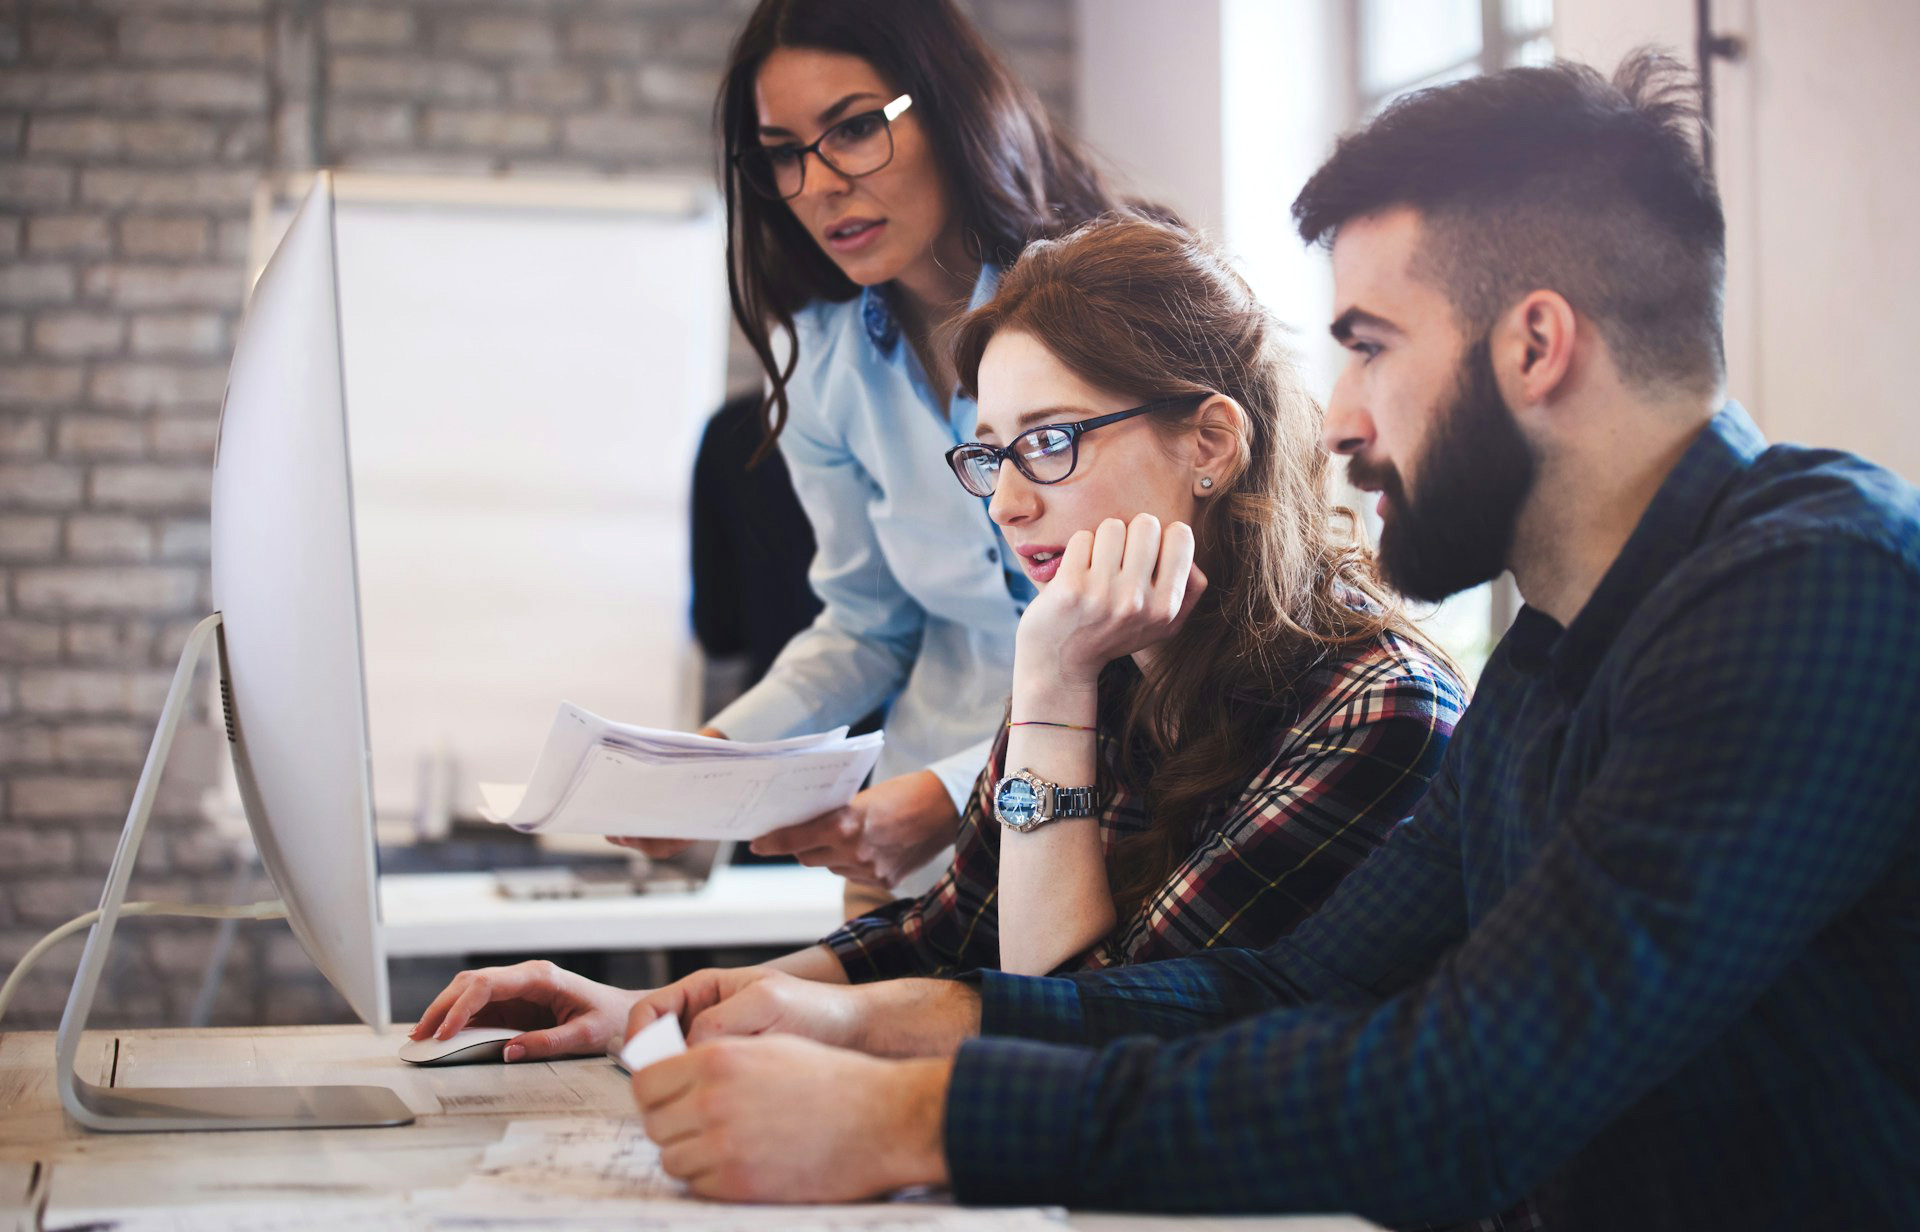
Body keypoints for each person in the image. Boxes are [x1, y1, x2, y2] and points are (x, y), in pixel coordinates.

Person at [610, 51, 1920, 1228]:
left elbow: (1466, 1093)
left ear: (1535, 343)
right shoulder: (1552, 653)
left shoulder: (1813, 587)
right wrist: (876, 1021)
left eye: (1370, 347)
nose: (1340, 419)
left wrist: (914, 1121)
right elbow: (1283, 986)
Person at [410, 217, 1466, 1045]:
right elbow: (944, 930)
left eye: (1048, 443)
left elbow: (1075, 1024)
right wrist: (656, 1010)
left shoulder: (1375, 708)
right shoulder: (1106, 659)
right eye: (990, 454)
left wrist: (1051, 685)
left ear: (1212, 441)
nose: (1006, 505)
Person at [631, 0, 1154, 906]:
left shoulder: (1105, 314)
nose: (819, 183)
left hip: (1120, 816)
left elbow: (1164, 618)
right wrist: (715, 759)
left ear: (953, 110)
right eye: (783, 153)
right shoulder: (827, 366)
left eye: (856, 128)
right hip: (916, 855)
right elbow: (866, 628)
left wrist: (961, 792)